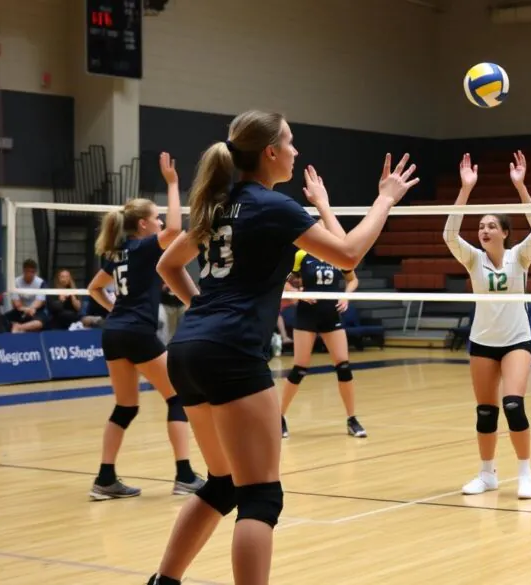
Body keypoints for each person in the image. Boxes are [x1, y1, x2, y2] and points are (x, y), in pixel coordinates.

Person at [145, 109, 418, 585]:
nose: (295, 151)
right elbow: (350, 253)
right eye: (290, 142)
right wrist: (384, 199)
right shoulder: (271, 206)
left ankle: (162, 582)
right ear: (270, 152)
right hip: (230, 351)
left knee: (222, 484)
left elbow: (168, 266)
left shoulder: (218, 202)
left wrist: (204, 312)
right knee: (260, 496)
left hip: (189, 347)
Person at [86, 153, 203, 500]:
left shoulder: (118, 252)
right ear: (143, 225)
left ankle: (105, 480)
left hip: (114, 331)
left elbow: (94, 287)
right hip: (136, 331)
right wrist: (172, 183)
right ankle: (184, 475)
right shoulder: (143, 248)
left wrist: (115, 310)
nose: (158, 222)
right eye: (154, 218)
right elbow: (175, 229)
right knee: (178, 396)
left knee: (126, 406)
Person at [443, 150, 531, 500]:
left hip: (517, 339)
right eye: (481, 226)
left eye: (491, 226)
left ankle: (525, 472)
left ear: (504, 232)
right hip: (483, 341)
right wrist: (465, 189)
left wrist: (521, 186)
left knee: (513, 404)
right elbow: (449, 233)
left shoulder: (521, 256)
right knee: (486, 412)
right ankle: (487, 474)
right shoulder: (473, 258)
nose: (484, 230)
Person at [279, 243, 366, 439]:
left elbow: (352, 280)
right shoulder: (301, 255)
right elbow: (283, 279)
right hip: (307, 315)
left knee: (343, 366)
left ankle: (352, 419)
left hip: (331, 314)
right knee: (300, 368)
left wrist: (346, 297)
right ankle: (279, 416)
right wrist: (298, 293)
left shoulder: (338, 255)